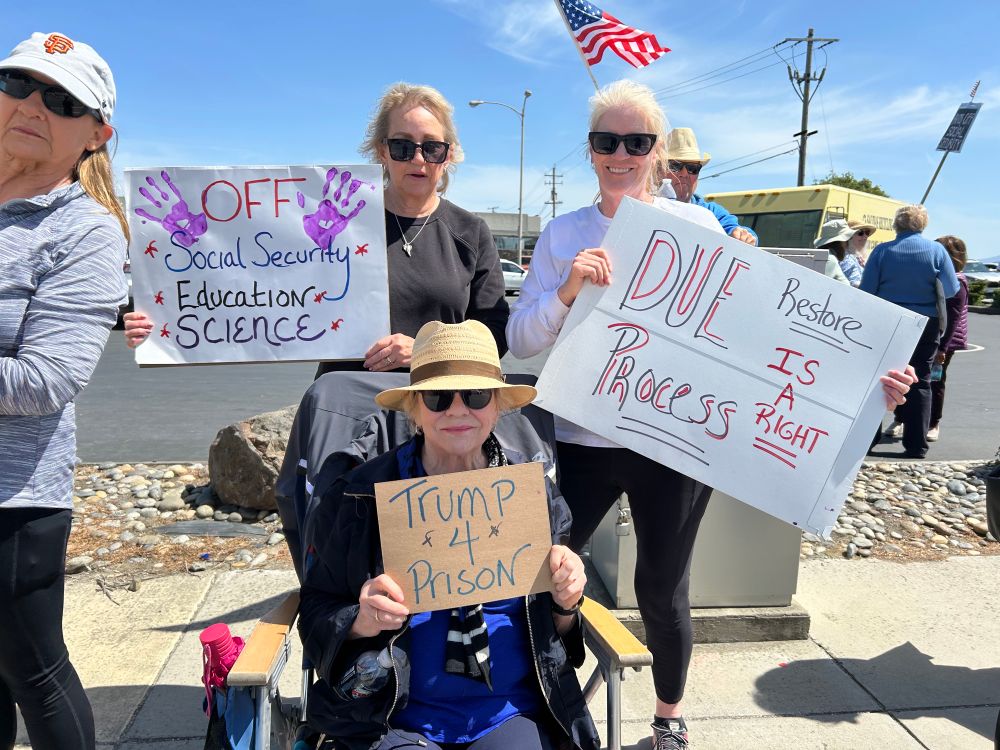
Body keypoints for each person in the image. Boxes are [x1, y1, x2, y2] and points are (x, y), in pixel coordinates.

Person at [507, 79, 916, 750]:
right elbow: (521, 339)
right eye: (607, 140)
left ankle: (669, 719)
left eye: (637, 141)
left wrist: (870, 385)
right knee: (546, 574)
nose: (621, 154)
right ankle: (543, 698)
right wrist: (568, 289)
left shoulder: (699, 228)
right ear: (590, 149)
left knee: (661, 587)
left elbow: (765, 334)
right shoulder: (563, 233)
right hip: (581, 437)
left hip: (673, 443)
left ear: (657, 153)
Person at [297, 320, 599, 750]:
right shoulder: (358, 496)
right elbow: (314, 610)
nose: (458, 410)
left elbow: (561, 640)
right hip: (391, 716)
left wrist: (566, 603)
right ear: (414, 410)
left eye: (475, 396)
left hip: (511, 710)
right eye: (438, 398)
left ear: (497, 406)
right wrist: (360, 621)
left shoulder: (533, 495)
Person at [124, 83, 509, 376]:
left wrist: (426, 349)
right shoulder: (341, 222)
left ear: (448, 154)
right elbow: (253, 278)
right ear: (382, 151)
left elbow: (495, 332)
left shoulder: (470, 232)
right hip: (349, 401)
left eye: (432, 147)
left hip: (441, 405)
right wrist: (161, 315)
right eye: (402, 146)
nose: (418, 159)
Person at [0, 32, 127, 750]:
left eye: (61, 101)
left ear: (95, 134)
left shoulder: (84, 231)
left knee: (35, 673)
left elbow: (46, 380)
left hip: (13, 500)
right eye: (17, 83)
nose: (30, 105)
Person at [861, 205, 959, 458]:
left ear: (896, 225)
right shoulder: (937, 251)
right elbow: (951, 289)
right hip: (925, 322)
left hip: (888, 319)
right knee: (921, 381)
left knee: (879, 377)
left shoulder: (882, 251)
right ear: (923, 225)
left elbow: (867, 290)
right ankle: (916, 445)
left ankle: (867, 439)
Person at [656, 127, 757, 245]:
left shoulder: (711, 211)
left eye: (692, 168)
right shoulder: (645, 202)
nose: (684, 174)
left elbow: (737, 229)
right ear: (659, 170)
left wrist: (742, 235)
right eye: (675, 166)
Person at [926, 235, 969, 442]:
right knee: (915, 377)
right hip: (932, 335)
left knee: (935, 380)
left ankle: (934, 422)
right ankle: (902, 418)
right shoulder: (938, 276)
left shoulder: (957, 282)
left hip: (945, 340)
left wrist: (942, 347)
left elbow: (953, 318)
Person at [814, 219, 857, 285]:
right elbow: (821, 286)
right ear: (841, 242)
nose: (849, 243)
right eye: (848, 238)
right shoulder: (830, 259)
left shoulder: (826, 257)